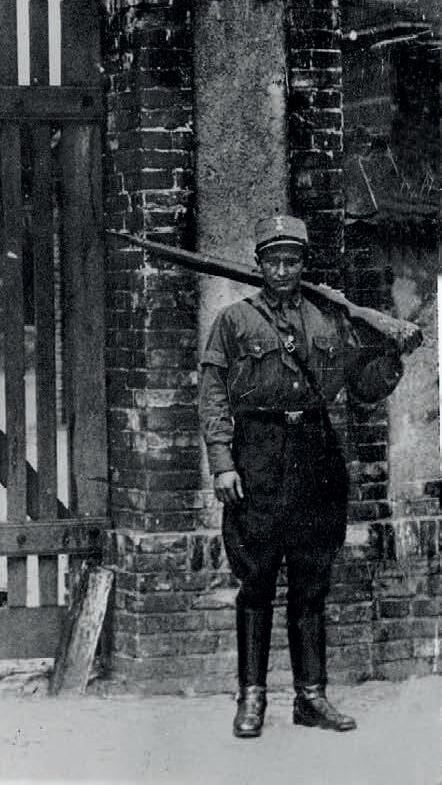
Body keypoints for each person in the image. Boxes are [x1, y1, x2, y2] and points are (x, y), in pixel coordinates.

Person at [200, 214, 413, 740]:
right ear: (259, 264)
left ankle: (311, 696)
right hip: (257, 452)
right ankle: (251, 697)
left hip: (316, 453)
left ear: (303, 263)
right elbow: (213, 395)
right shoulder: (234, 321)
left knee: (312, 579)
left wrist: (392, 353)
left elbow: (362, 387)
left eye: (291, 260)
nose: (282, 270)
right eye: (273, 260)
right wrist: (223, 463)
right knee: (256, 580)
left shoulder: (329, 318)